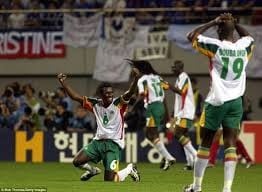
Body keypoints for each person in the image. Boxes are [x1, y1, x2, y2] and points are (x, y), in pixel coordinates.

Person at [184, 13, 254, 192]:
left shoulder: (215, 46)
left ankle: (197, 187)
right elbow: (249, 37)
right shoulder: (243, 46)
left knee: (206, 142)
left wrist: (212, 21)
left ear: (219, 30)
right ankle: (227, 189)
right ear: (234, 31)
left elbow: (191, 36)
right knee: (230, 142)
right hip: (236, 102)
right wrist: (236, 24)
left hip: (217, 101)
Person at [57, 69, 140, 182]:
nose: (110, 95)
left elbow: (130, 92)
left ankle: (129, 169)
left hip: (113, 145)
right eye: (107, 93)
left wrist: (135, 79)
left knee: (110, 180)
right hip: (97, 143)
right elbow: (75, 97)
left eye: (111, 93)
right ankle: (92, 171)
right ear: (101, 94)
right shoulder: (95, 104)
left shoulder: (119, 103)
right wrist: (63, 82)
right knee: (77, 162)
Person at [128, 59, 176, 171]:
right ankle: (167, 157)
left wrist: (131, 109)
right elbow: (164, 97)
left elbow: (141, 96)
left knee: (150, 133)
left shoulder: (143, 80)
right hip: (160, 107)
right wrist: (167, 115)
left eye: (134, 68)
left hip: (152, 107)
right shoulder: (157, 78)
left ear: (139, 69)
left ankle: (169, 157)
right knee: (149, 133)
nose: (133, 70)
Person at [169, 60, 197, 171]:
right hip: (181, 112)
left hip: (186, 111)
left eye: (174, 67)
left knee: (177, 133)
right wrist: (174, 112)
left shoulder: (184, 77)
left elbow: (181, 92)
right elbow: (179, 98)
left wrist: (169, 86)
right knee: (184, 136)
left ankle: (197, 156)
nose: (172, 69)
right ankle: (190, 162)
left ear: (179, 67)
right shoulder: (179, 78)